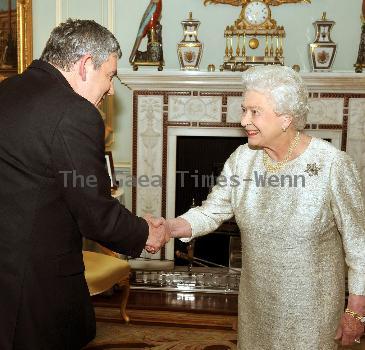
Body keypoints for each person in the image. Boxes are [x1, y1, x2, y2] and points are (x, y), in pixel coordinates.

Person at [165, 65, 365, 349]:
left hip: (311, 312)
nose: (244, 120)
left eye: (254, 111)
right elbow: (212, 211)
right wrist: (168, 228)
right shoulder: (243, 159)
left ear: (285, 118)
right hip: (256, 305)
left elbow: (359, 244)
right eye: (244, 109)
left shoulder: (332, 164)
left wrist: (356, 310)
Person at [0, 19, 169, 350]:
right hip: (35, 286)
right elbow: (95, 213)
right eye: (109, 76)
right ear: (85, 65)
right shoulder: (75, 113)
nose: (111, 90)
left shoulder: (8, 90)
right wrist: (145, 232)